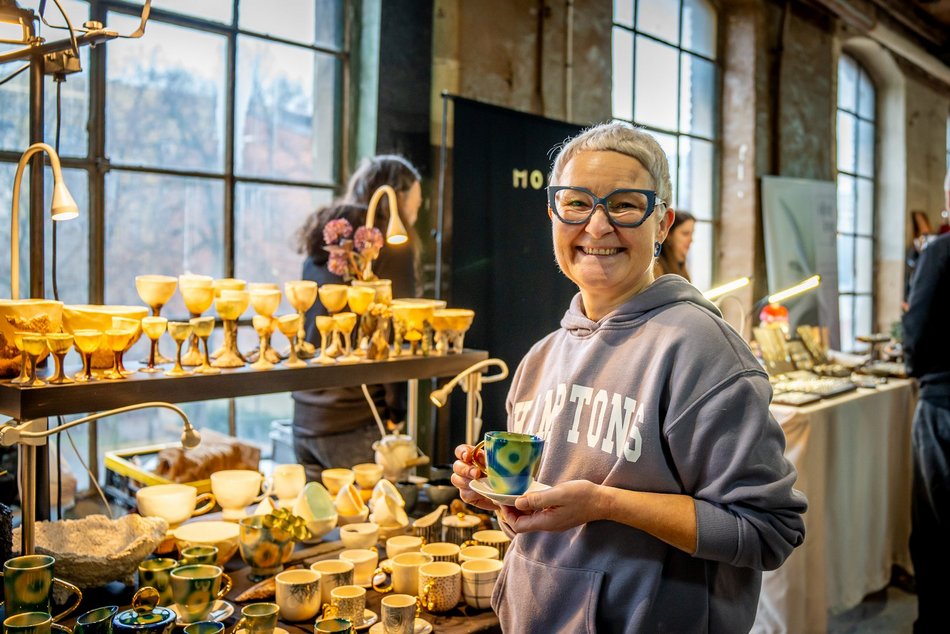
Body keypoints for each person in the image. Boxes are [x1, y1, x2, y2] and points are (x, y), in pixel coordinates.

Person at [451, 122, 806, 633]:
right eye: (576, 203)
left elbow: (769, 529)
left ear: (661, 224)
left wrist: (604, 504)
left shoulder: (701, 350)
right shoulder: (539, 358)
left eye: (623, 205)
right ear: (552, 212)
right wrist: (503, 498)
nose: (596, 227)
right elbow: (547, 527)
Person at [291, 155, 423, 481]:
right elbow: (394, 329)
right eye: (415, 207)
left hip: (304, 416)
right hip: (355, 421)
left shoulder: (324, 241)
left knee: (319, 526)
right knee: (375, 526)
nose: (414, 217)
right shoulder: (385, 245)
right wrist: (396, 412)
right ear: (397, 198)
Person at [903, 221, 950, 633]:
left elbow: (915, 326)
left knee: (936, 529)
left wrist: (914, 369)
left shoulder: (940, 251)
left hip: (942, 404)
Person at [653, 209, 695, 281]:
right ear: (669, 234)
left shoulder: (681, 264)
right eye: (685, 234)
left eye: (692, 233)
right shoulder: (656, 268)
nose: (691, 240)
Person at [905, 210, 934, 303]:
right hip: (918, 277)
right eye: (918, 221)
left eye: (922, 220)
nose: (922, 224)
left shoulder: (934, 239)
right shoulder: (914, 243)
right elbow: (911, 262)